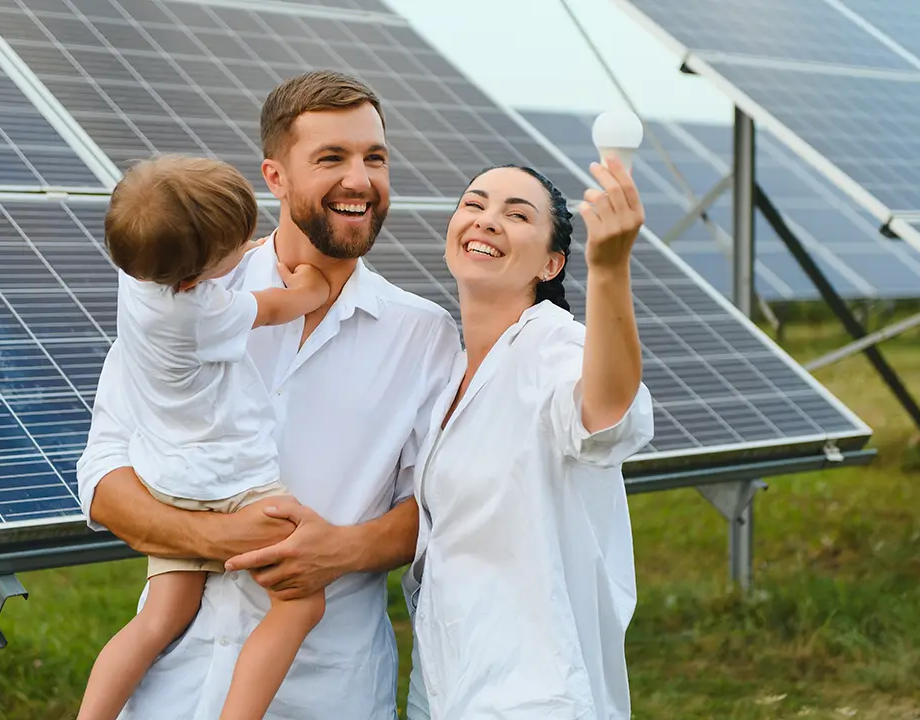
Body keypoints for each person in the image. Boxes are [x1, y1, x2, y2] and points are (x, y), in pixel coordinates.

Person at [75, 71, 460, 719]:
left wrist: (339, 549)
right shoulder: (179, 291)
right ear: (275, 177)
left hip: (324, 690)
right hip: (176, 684)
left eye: (375, 157)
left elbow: (443, 508)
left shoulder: (424, 335)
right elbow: (104, 480)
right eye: (331, 158)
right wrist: (217, 535)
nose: (360, 179)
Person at [77, 155, 333, 720]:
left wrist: (227, 250)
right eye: (235, 248)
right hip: (232, 480)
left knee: (159, 619)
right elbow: (278, 306)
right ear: (194, 279)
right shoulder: (202, 314)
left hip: (166, 478)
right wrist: (311, 287)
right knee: (301, 601)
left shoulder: (138, 275)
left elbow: (193, 244)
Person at [402, 157, 655, 719]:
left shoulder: (554, 347)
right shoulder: (447, 371)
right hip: (444, 686)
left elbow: (605, 411)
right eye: (474, 204)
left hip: (536, 692)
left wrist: (610, 270)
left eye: (516, 215)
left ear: (551, 262)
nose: (487, 220)